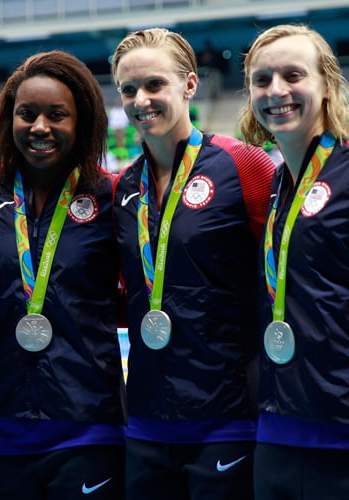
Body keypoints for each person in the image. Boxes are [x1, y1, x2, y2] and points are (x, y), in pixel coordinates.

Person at [110, 28, 276, 500]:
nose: (141, 100)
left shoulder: (244, 166)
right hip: (145, 420)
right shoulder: (123, 188)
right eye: (129, 90)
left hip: (228, 418)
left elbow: (285, 274)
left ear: (189, 84)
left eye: (154, 85)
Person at [0, 50, 125, 499]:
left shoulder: (109, 195)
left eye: (57, 115)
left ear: (81, 121)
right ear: (8, 120)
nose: (40, 127)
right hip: (4, 422)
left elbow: (144, 293)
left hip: (89, 422)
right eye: (26, 114)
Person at [239, 24, 349, 499]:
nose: (276, 91)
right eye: (262, 80)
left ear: (326, 84)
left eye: (292, 75)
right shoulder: (277, 182)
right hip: (279, 429)